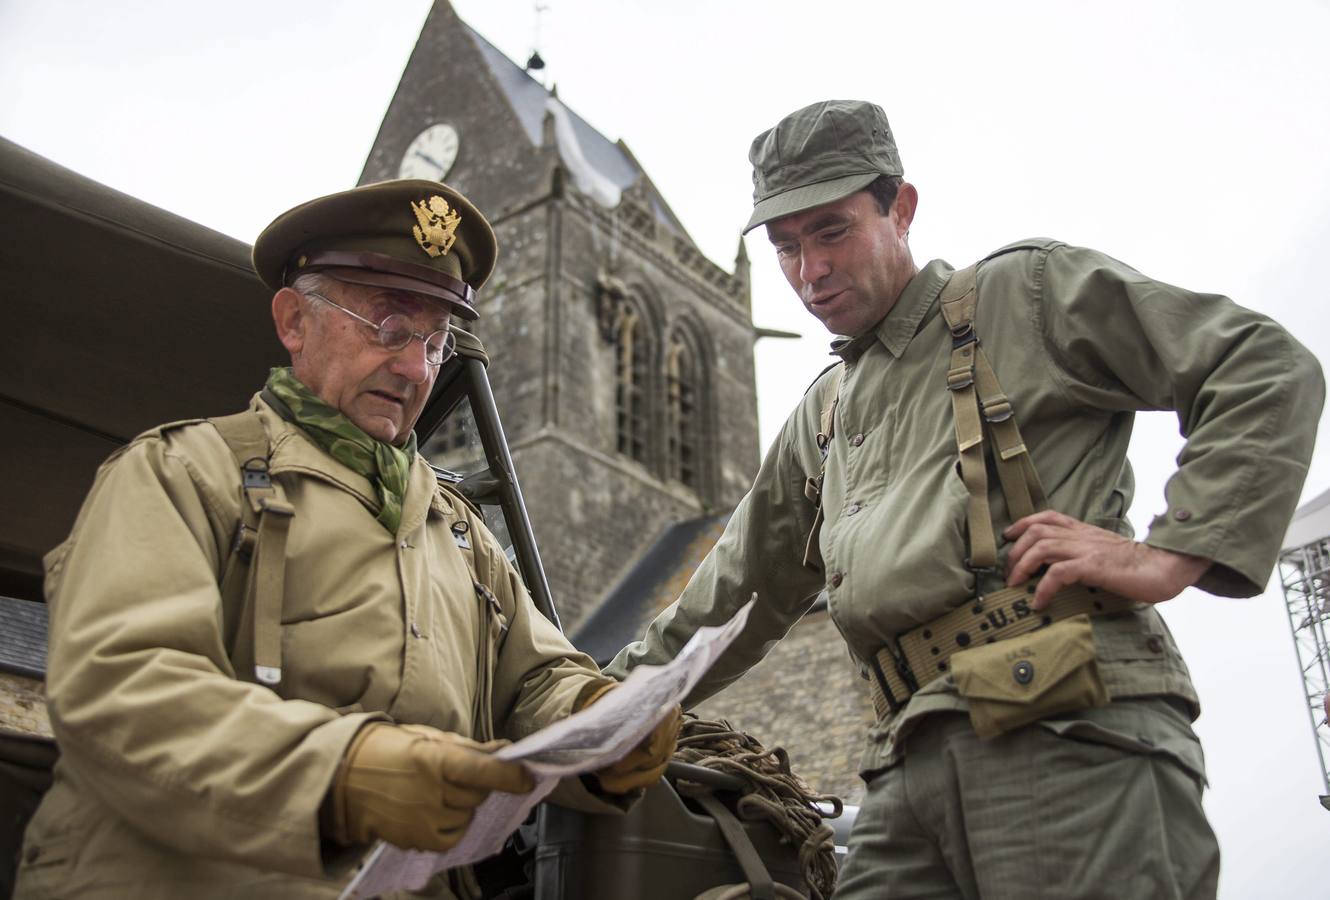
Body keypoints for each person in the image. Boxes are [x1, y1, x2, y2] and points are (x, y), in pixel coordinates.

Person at [607, 100, 1325, 898]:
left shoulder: (1021, 295)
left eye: (832, 231)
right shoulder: (824, 413)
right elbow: (728, 597)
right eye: (786, 246)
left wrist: (1167, 551)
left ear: (901, 208)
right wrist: (580, 713)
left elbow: (1260, 367)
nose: (810, 271)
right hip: (903, 766)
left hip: (1065, 730)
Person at [15, 180, 678, 899]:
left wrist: (600, 720)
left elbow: (537, 676)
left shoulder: (458, 530)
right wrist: (342, 772)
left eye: (435, 341)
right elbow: (121, 689)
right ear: (294, 321)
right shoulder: (182, 473)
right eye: (389, 328)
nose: (417, 368)